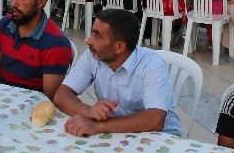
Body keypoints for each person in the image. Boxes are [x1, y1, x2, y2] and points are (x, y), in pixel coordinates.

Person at [54, 8, 182, 137]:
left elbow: (155, 120)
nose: (89, 40)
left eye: (97, 36)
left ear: (119, 47)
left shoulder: (151, 65)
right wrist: (90, 112)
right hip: (117, 135)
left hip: (160, 138)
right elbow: (61, 96)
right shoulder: (93, 56)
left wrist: (97, 126)